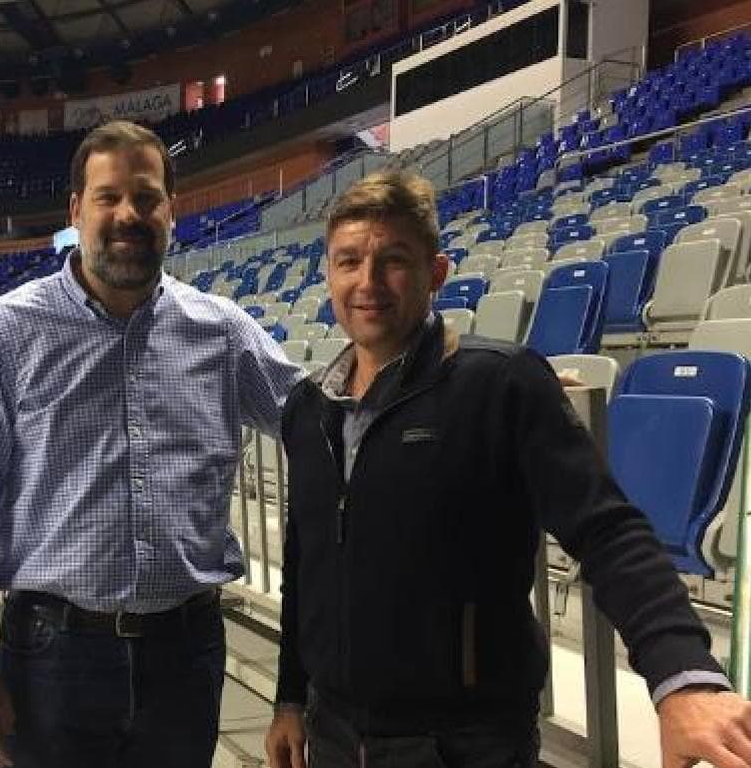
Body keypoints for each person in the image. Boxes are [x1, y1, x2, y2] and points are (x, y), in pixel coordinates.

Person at [265, 170, 751, 768]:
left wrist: (684, 675)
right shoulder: (308, 410)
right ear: (328, 274)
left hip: (463, 744)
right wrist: (290, 700)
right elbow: (304, 566)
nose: (367, 283)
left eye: (392, 260)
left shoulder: (500, 384)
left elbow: (608, 531)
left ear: (435, 274)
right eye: (348, 262)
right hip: (333, 733)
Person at [0, 119, 304, 768]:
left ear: (171, 211)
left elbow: (322, 418)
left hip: (185, 655)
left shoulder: (222, 332)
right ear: (76, 210)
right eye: (108, 197)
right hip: (52, 660)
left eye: (147, 197)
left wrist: (438, 381)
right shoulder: (7, 332)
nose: (129, 213)